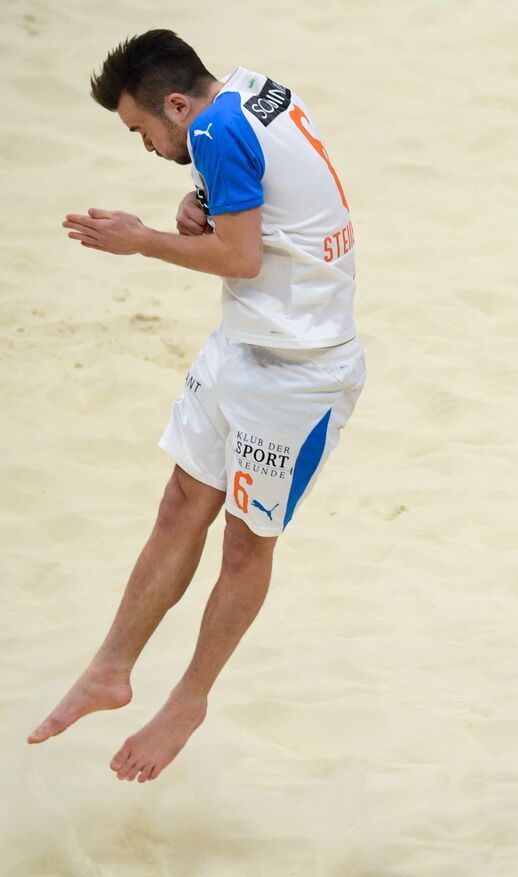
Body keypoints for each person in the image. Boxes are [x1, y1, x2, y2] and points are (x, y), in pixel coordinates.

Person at [28, 30, 366, 782]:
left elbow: (241, 256)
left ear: (177, 104)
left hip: (301, 374)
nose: (143, 146)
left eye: (141, 130)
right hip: (242, 344)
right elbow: (269, 189)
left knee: (245, 545)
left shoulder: (215, 127)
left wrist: (141, 239)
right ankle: (110, 668)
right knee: (182, 501)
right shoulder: (252, 90)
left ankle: (189, 696)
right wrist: (202, 198)